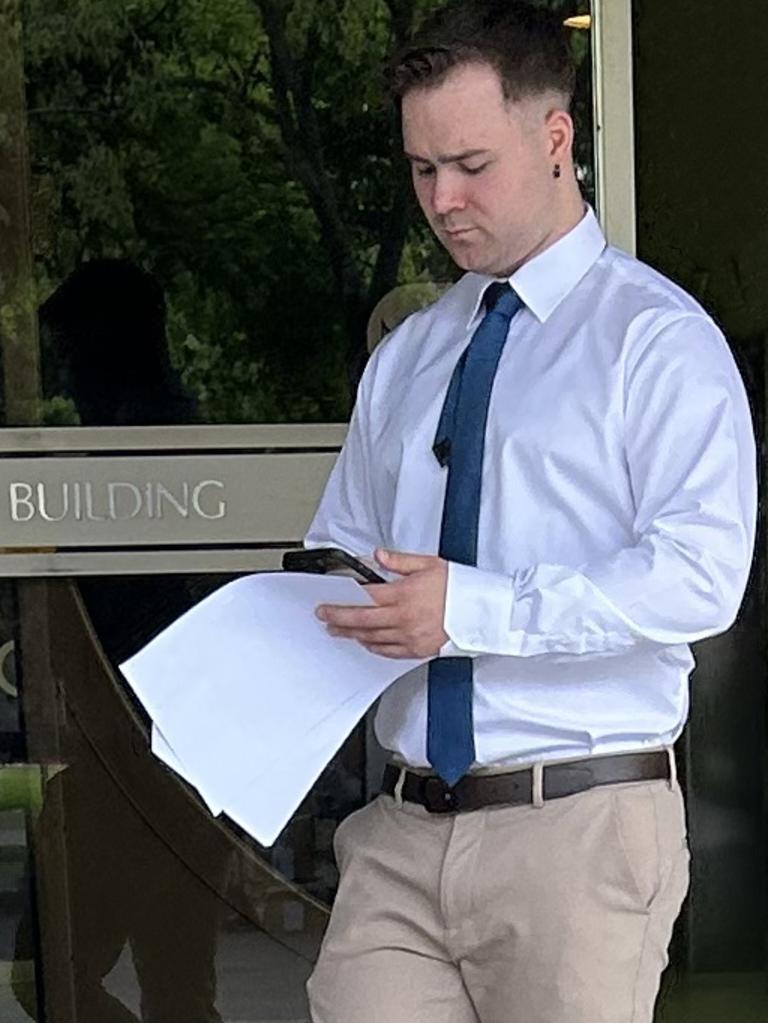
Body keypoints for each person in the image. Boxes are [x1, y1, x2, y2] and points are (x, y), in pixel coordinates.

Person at [302, 3, 757, 1022]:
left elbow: (701, 576)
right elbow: (345, 545)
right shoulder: (410, 356)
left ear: (556, 140)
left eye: (469, 163)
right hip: (404, 829)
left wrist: (471, 609)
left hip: (581, 823)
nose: (442, 200)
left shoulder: (657, 342)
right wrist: (321, 606)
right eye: (421, 170)